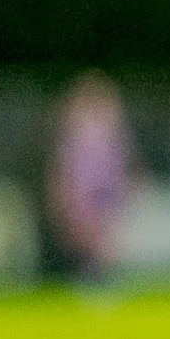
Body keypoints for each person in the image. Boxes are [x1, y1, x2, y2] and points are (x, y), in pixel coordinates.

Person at [48, 71, 134, 280]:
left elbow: (122, 166)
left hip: (104, 192)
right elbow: (64, 169)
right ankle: (88, 275)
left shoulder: (113, 134)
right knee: (87, 239)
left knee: (102, 240)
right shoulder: (76, 136)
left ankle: (96, 276)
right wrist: (62, 194)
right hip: (85, 193)